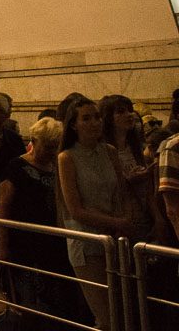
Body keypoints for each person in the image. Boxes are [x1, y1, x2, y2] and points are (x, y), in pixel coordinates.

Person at [0, 116, 83, 331]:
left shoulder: (57, 166)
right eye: (48, 146)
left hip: (53, 242)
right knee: (28, 297)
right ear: (34, 141)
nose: (52, 151)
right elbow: (3, 206)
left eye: (56, 146)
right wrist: (2, 245)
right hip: (25, 243)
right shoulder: (16, 167)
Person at [58, 96, 131, 330]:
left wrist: (124, 220)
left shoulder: (109, 151)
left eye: (97, 117)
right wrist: (116, 222)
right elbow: (75, 209)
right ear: (73, 124)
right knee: (106, 314)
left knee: (123, 309)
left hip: (115, 237)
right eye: (86, 118)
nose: (94, 123)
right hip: (86, 241)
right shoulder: (67, 157)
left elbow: (120, 191)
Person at [100, 95, 161, 242]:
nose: (129, 115)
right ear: (108, 118)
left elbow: (147, 189)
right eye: (121, 112)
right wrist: (129, 180)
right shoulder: (104, 151)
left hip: (143, 214)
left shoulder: (135, 148)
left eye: (130, 110)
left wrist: (158, 218)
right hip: (120, 219)